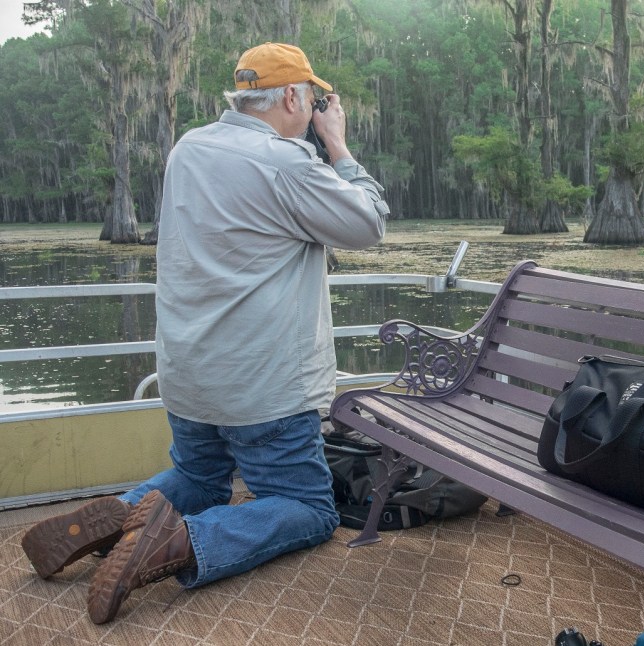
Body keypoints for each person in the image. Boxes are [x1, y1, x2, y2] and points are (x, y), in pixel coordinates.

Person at [20, 42, 389, 624]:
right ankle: (178, 542)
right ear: (291, 96)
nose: (318, 106)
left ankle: (119, 513)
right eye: (315, 97)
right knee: (306, 507)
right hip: (262, 388)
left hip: (188, 375)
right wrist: (337, 145)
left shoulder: (188, 148)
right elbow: (367, 224)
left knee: (199, 475)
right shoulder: (286, 163)